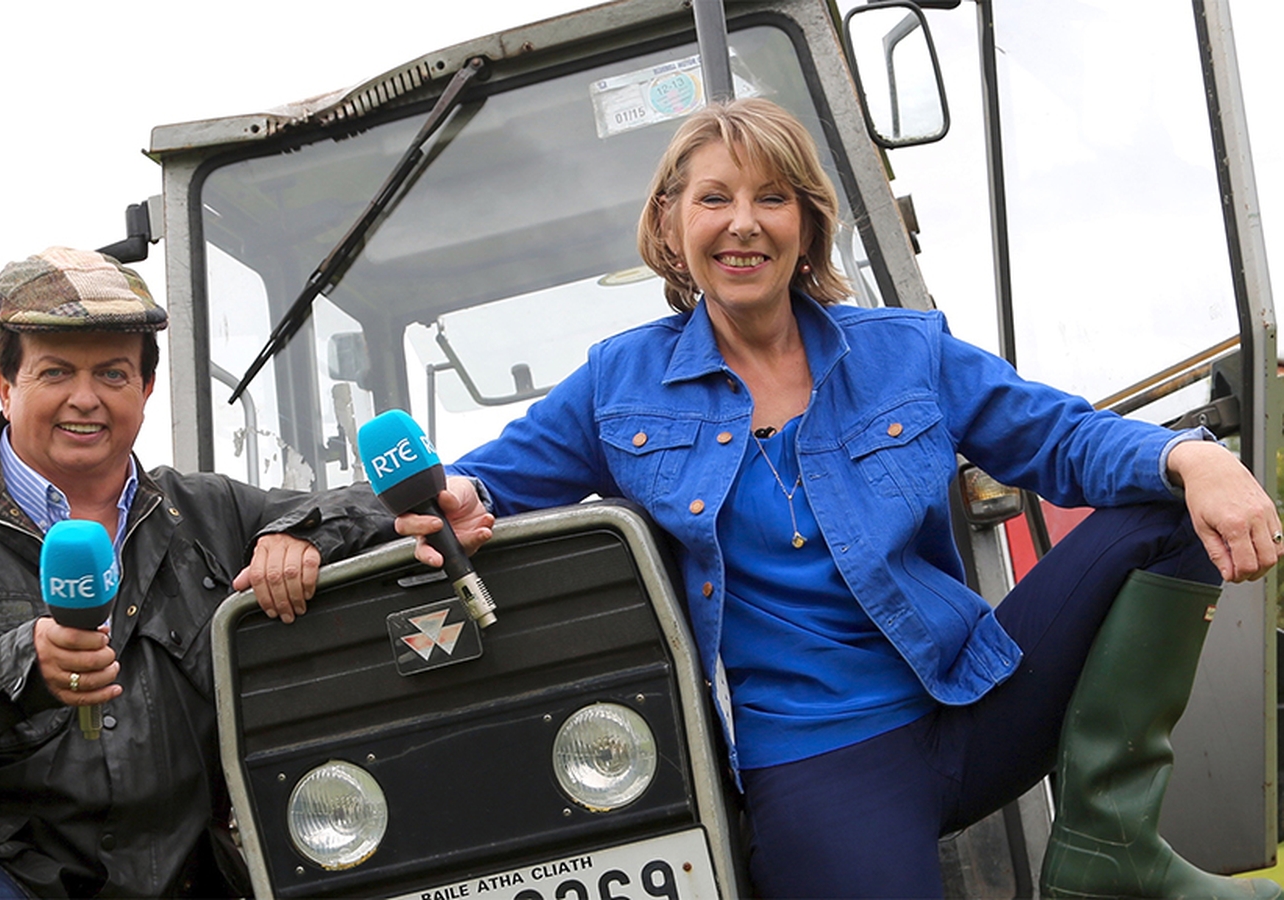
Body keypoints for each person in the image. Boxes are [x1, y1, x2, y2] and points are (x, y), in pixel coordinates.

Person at [394, 99, 1283, 898]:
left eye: (772, 198)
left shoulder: (907, 351)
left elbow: (1060, 438)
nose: (743, 224)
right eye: (714, 199)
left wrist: (1190, 460)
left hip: (974, 692)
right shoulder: (618, 384)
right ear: (670, 224)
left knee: (1168, 505)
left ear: (808, 226)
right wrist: (354, 523)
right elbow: (473, 490)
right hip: (818, 757)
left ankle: (1107, 839)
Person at [0, 247, 395, 898]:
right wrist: (13, 667)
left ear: (144, 389)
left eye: (112, 375)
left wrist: (299, 533)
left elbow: (371, 503)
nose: (84, 399)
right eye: (56, 372)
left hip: (186, 873)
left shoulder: (212, 512)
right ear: (5, 386)